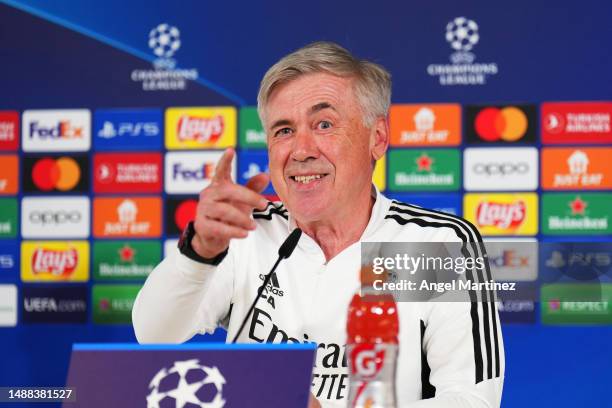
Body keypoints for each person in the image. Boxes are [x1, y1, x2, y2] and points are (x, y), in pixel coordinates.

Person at [132, 41, 504, 407]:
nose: (301, 150)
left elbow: (471, 400)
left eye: (324, 124)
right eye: (283, 131)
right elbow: (153, 333)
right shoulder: (245, 232)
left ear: (377, 138)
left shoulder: (435, 243)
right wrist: (199, 253)